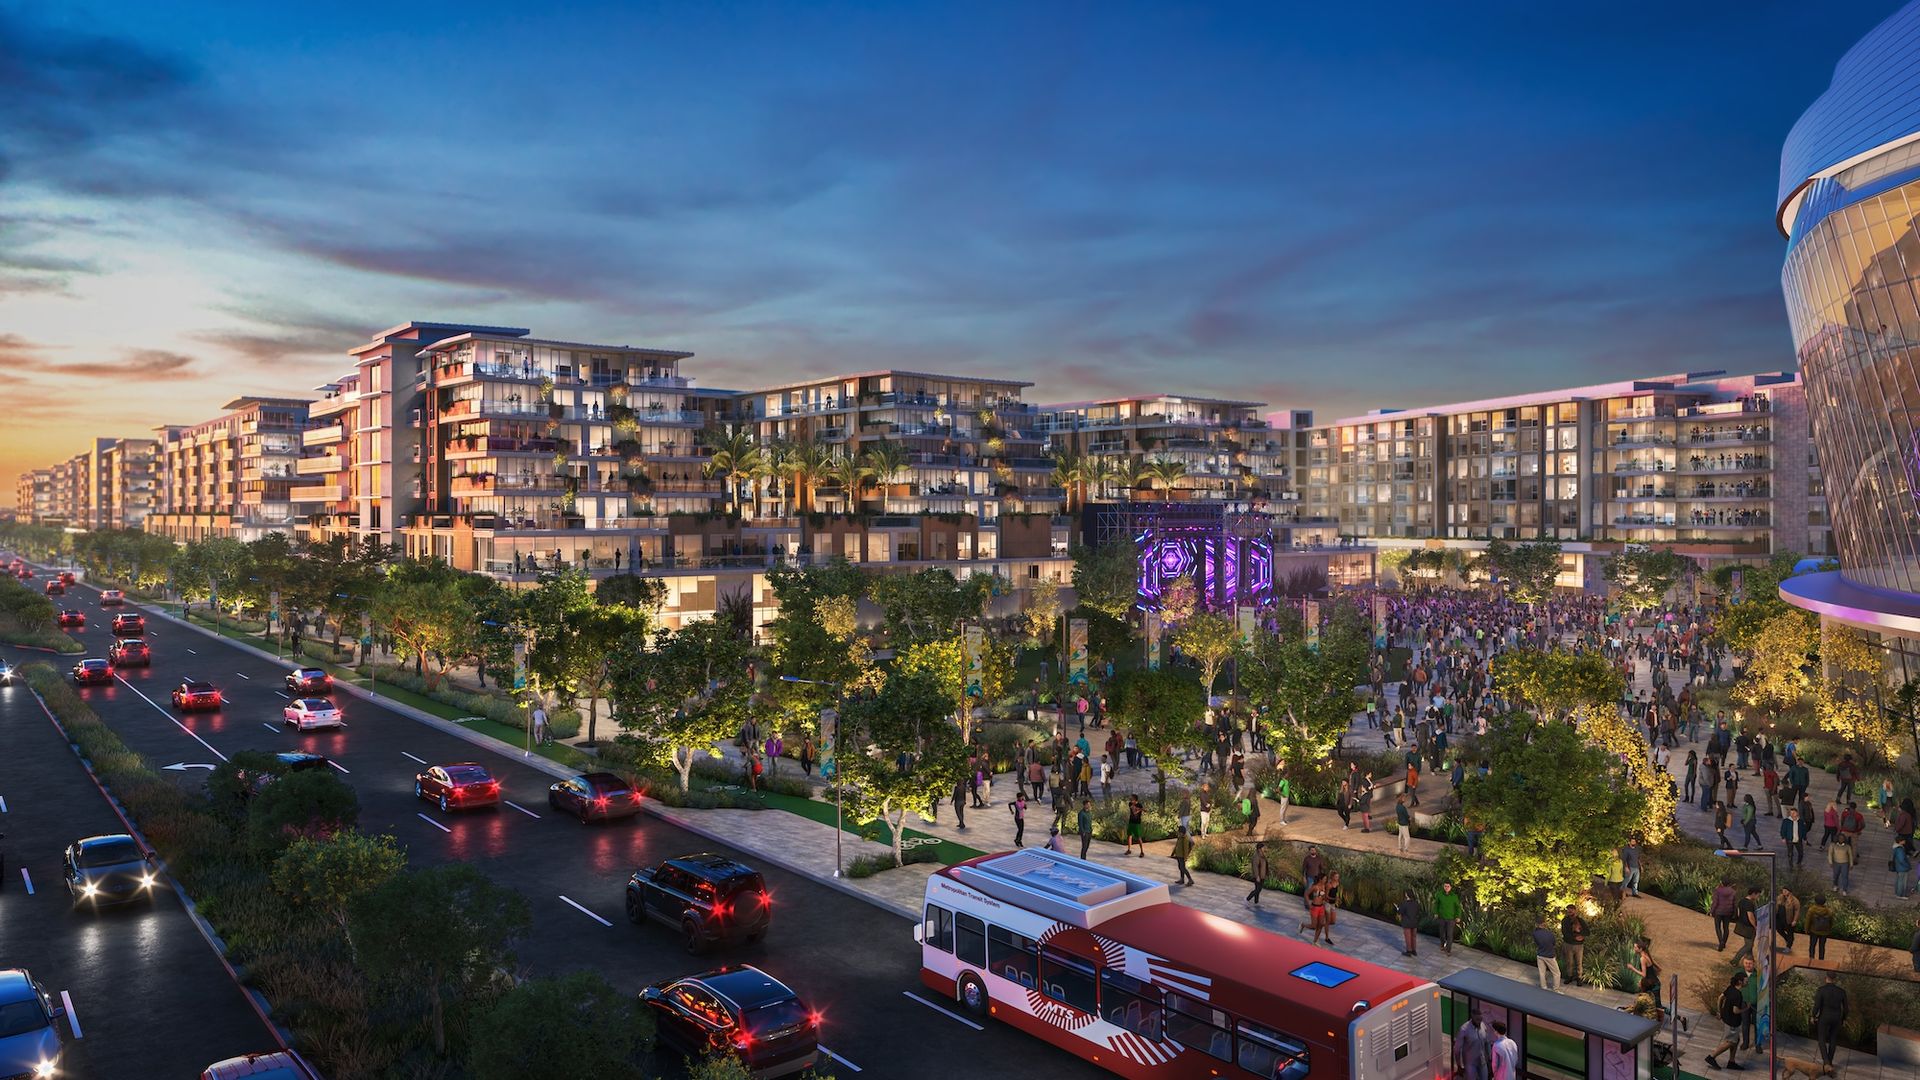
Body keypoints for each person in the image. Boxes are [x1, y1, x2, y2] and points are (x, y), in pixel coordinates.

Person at [1703, 970, 1748, 1071]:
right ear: (1740, 982)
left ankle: (1731, 1062)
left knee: (1736, 1040)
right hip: (1733, 1021)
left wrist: (1719, 1012)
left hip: (1726, 1018)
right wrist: (1746, 1008)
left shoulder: (1730, 988)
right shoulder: (1738, 995)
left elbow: (1720, 998)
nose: (1747, 982)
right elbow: (1735, 1011)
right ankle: (1711, 1057)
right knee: (1731, 1042)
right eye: (1746, 981)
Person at [1812, 971, 1847, 1069]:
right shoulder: (1841, 991)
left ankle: (1826, 1062)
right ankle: (1830, 1062)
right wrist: (1844, 1019)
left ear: (1826, 978)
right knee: (1833, 1039)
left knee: (1821, 1039)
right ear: (1835, 979)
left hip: (1824, 1017)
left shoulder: (1821, 990)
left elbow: (1817, 1005)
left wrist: (1813, 1015)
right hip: (1836, 1018)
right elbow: (1846, 1008)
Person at [1454, 1009, 1492, 1080]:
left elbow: (1487, 1042)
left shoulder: (1483, 1025)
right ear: (1472, 1017)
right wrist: (1459, 1065)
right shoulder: (1464, 1030)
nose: (1479, 1021)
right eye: (1477, 1019)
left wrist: (1489, 1058)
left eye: (1480, 1019)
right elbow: (1457, 1049)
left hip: (1482, 1061)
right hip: (1470, 1063)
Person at [1433, 880, 1462, 955]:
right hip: (1441, 917)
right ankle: (1442, 944)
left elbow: (1458, 907)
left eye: (1448, 886)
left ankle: (1448, 950)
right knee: (1442, 933)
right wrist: (1436, 913)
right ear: (1443, 886)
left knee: (1449, 934)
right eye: (1445, 886)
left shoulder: (1454, 896)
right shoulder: (1439, 894)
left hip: (1451, 918)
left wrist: (1458, 916)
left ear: (1450, 887)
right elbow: (1436, 904)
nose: (1446, 888)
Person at [1561, 906, 1587, 984]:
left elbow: (1587, 931)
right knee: (1569, 962)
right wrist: (1575, 937)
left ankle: (1579, 978)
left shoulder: (1580, 920)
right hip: (1568, 944)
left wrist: (1581, 935)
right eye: (1569, 911)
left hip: (1579, 945)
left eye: (1572, 911)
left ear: (1575, 911)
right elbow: (1564, 933)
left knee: (1579, 962)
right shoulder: (1565, 921)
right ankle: (1570, 976)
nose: (1570, 912)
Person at [1533, 917, 1561, 990]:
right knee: (1556, 973)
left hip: (1540, 954)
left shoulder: (1535, 933)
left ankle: (1543, 987)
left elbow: (1537, 943)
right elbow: (1553, 943)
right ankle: (1556, 988)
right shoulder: (1549, 934)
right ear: (1544, 923)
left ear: (1536, 924)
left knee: (1542, 972)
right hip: (1550, 956)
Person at [1805, 893, 1834, 961]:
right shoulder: (1828, 911)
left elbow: (1807, 921)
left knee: (1812, 945)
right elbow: (1831, 922)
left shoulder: (1811, 910)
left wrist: (1806, 930)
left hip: (1814, 931)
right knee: (1822, 947)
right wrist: (1829, 930)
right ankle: (1821, 960)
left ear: (1815, 901)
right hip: (1824, 932)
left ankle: (1811, 958)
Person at [1711, 879, 1737, 951]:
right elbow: (1734, 904)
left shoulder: (1718, 890)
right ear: (1729, 884)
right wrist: (1735, 913)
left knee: (1718, 927)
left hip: (1718, 912)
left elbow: (1715, 902)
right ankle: (1724, 943)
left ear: (1721, 883)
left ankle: (1721, 942)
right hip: (1728, 912)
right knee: (1726, 928)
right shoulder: (1733, 892)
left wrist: (1712, 911)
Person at [1775, 886, 1801, 957]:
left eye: (1785, 891)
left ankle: (1788, 946)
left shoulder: (1794, 900)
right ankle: (1788, 939)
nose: (1784, 892)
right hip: (1779, 918)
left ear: (1789, 891)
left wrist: (1795, 920)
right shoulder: (1780, 897)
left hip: (1789, 919)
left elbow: (1797, 911)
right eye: (1783, 890)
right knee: (1779, 929)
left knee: (1790, 932)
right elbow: (1776, 905)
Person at [1397, 890, 1422, 957]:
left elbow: (1400, 912)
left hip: (1407, 923)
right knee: (1413, 937)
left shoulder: (1405, 903)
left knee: (1408, 937)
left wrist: (1398, 909)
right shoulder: (1416, 903)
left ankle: (1409, 951)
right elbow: (1418, 912)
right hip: (1414, 923)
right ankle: (1414, 950)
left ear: (1406, 895)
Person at [1245, 841, 1269, 906]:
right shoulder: (1256, 857)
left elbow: (1265, 865)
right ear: (1259, 849)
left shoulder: (1263, 856)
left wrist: (1266, 874)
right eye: (1263, 848)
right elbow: (1255, 867)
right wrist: (1257, 876)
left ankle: (1256, 902)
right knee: (1258, 889)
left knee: (1258, 889)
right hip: (1258, 876)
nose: (1264, 849)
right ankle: (1247, 899)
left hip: (1262, 876)